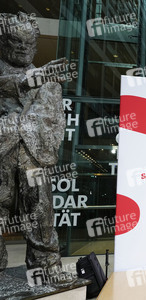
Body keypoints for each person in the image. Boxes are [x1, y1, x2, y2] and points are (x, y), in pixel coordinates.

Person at [0, 12, 71, 283]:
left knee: (40, 212)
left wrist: (45, 150)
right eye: (15, 42)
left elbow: (54, 119)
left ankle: (47, 267)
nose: (22, 48)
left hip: (33, 155)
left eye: (28, 44)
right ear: (3, 43)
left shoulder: (48, 79)